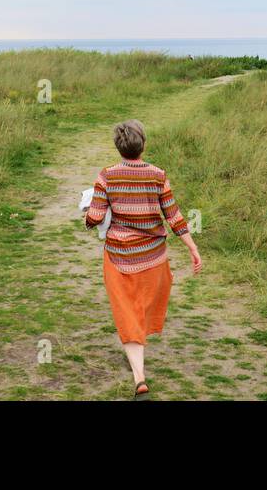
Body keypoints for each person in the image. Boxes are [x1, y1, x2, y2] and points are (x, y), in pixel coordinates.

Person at [83, 119, 202, 400]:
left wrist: (88, 217)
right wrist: (192, 247)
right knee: (142, 311)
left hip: (118, 257)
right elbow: (174, 216)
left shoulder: (106, 176)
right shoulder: (158, 175)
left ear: (118, 147)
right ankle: (139, 370)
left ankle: (139, 377)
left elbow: (96, 217)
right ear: (143, 145)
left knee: (127, 312)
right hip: (154, 258)